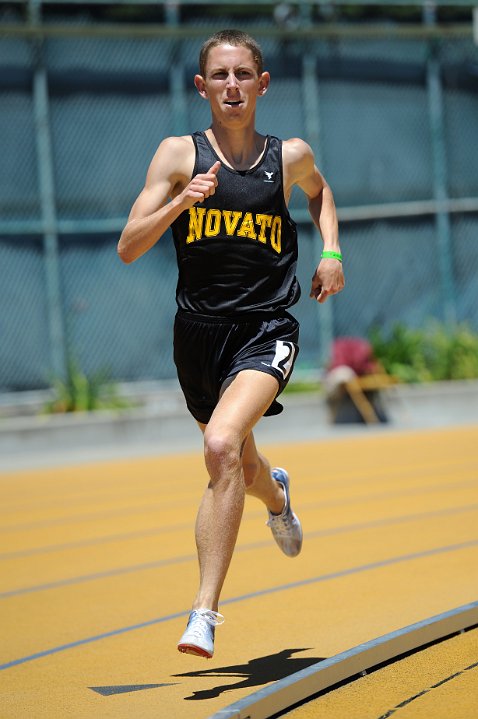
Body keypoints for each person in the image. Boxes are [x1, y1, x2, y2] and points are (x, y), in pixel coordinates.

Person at [118, 29, 344, 659]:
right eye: (220, 76)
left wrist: (330, 251)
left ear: (262, 83)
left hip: (265, 328)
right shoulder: (176, 156)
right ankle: (276, 493)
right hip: (198, 337)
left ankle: (203, 613)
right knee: (239, 468)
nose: (233, 87)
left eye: (244, 74)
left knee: (219, 447)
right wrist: (180, 204)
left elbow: (321, 194)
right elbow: (129, 246)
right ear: (202, 86)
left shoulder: (287, 156)